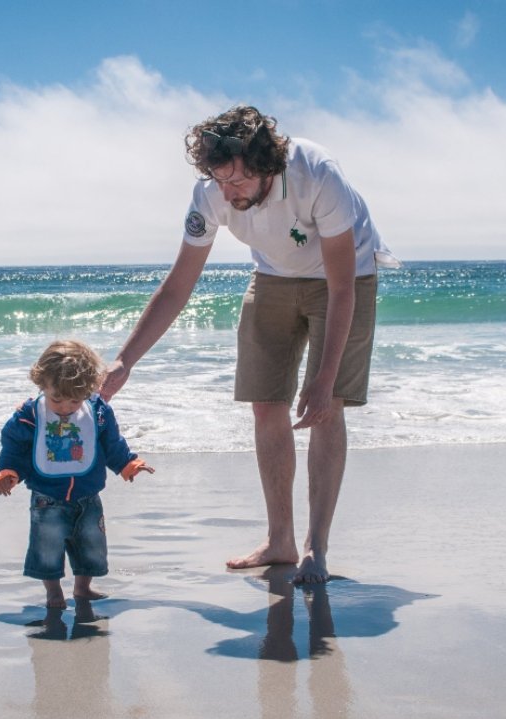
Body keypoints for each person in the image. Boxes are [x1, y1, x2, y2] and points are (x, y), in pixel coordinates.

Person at [100, 105, 397, 585]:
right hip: (274, 276)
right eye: (219, 181)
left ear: (266, 167)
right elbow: (178, 286)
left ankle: (314, 548)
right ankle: (280, 539)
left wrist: (323, 380)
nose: (227, 193)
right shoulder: (211, 195)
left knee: (327, 407)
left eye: (236, 182)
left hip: (346, 277)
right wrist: (124, 360)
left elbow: (342, 289)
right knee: (265, 403)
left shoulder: (317, 174)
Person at [0, 340, 154, 608]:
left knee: (91, 545)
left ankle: (83, 588)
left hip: (88, 496)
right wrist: (9, 472)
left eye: (74, 401)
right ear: (41, 383)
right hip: (47, 497)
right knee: (47, 547)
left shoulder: (98, 412)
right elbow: (16, 448)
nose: (65, 407)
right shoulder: (30, 415)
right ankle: (53, 593)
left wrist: (127, 464)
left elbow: (111, 444)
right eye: (57, 399)